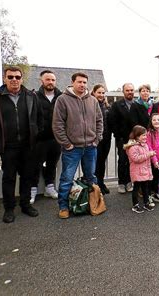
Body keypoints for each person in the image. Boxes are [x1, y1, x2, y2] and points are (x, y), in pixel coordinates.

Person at [0, 66, 43, 223]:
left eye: (17, 77)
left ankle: (25, 205)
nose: (14, 80)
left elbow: (39, 118)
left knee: (27, 177)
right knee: (9, 178)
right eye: (10, 77)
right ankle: (9, 209)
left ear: (22, 79)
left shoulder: (31, 96)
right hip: (8, 146)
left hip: (27, 146)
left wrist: (36, 135)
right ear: (4, 79)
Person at [52, 72, 103, 219]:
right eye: (79, 82)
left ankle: (93, 203)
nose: (82, 85)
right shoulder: (62, 99)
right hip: (72, 148)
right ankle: (63, 206)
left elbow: (99, 121)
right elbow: (57, 124)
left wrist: (96, 139)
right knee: (67, 177)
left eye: (85, 82)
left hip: (90, 147)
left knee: (91, 177)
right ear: (72, 82)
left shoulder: (92, 100)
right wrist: (66, 144)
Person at [30, 70, 62, 204]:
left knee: (52, 164)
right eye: (47, 79)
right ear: (41, 81)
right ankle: (32, 190)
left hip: (55, 138)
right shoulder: (34, 96)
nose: (50, 82)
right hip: (39, 139)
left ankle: (50, 188)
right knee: (35, 165)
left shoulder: (60, 97)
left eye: (53, 80)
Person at [109, 83, 143, 194]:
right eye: (127, 90)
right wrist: (118, 136)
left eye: (132, 90)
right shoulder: (116, 105)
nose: (130, 92)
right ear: (123, 92)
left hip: (135, 139)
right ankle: (121, 183)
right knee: (122, 160)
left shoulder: (137, 105)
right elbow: (112, 122)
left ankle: (129, 182)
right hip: (122, 139)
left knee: (132, 161)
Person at [124, 125, 156, 213]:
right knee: (136, 189)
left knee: (145, 188)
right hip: (137, 171)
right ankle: (135, 205)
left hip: (144, 171)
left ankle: (146, 203)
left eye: (146, 135)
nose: (146, 137)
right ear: (137, 136)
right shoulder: (133, 147)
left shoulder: (145, 145)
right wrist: (149, 154)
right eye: (143, 135)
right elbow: (136, 159)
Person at [92, 84, 112, 194]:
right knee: (94, 163)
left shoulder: (107, 106)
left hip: (106, 138)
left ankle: (101, 182)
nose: (101, 95)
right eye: (99, 92)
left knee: (102, 162)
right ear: (94, 93)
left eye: (103, 93)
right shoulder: (90, 105)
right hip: (95, 139)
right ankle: (95, 186)